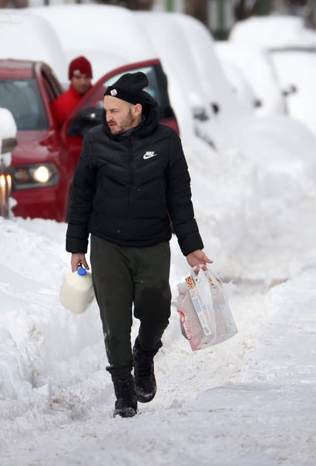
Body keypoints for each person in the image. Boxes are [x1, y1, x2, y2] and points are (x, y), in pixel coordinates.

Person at [66, 71, 211, 418]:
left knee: (156, 310)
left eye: (115, 110)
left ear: (136, 109)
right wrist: (76, 246)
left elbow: (179, 197)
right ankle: (123, 389)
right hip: (107, 244)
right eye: (105, 110)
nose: (108, 117)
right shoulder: (96, 141)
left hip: (151, 243)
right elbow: (81, 194)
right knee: (114, 321)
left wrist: (190, 245)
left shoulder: (165, 141)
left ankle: (144, 356)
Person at [51, 56, 93, 124]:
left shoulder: (102, 98)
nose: (83, 82)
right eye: (78, 77)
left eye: (86, 77)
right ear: (71, 78)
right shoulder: (60, 105)